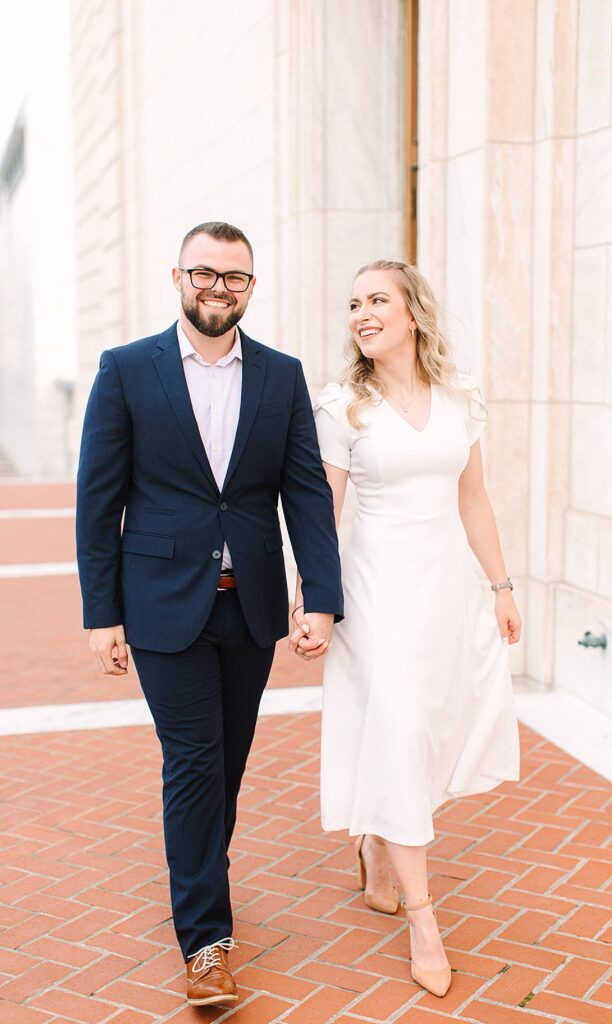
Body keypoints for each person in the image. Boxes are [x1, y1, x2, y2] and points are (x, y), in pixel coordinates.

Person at [76, 221, 342, 1007]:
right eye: (205, 274)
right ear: (177, 277)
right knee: (192, 764)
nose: (218, 289)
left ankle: (199, 876)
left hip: (251, 605)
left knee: (225, 768)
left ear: (251, 288)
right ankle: (205, 942)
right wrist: (102, 613)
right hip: (160, 604)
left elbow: (305, 498)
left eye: (235, 278)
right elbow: (99, 501)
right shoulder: (127, 370)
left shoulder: (282, 376)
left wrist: (319, 597)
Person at [290, 260, 521, 998]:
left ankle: (374, 841)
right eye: (353, 302)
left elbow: (474, 500)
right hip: (375, 591)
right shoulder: (341, 407)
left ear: (412, 313)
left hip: (445, 589)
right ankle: (423, 918)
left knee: (429, 727)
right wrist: (312, 602)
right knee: (394, 725)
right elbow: (319, 517)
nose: (360, 312)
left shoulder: (460, 399)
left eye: (376, 300)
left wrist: (501, 585)